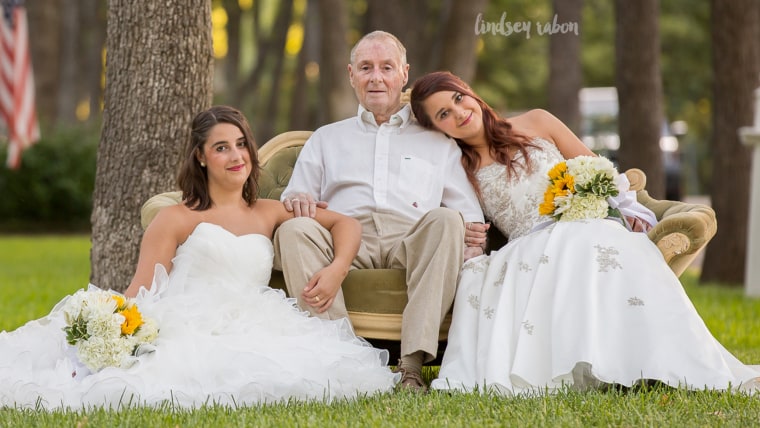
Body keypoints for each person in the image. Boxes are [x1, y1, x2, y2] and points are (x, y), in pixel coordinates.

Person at [0, 105, 398, 410]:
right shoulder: (176, 217)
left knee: (319, 373)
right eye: (222, 148)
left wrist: (335, 270)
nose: (236, 155)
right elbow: (142, 287)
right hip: (189, 318)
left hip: (257, 318)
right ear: (202, 157)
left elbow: (347, 224)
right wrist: (113, 329)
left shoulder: (268, 210)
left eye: (241, 144)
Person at [410, 71, 760, 394]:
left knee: (610, 241)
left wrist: (624, 210)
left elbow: (595, 169)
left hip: (586, 220)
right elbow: (466, 218)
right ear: (439, 130)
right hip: (528, 244)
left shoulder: (537, 120)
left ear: (469, 92)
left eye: (457, 99)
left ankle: (669, 359)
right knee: (575, 242)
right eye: (443, 115)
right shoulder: (457, 165)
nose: (458, 113)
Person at [274, 31, 485, 392]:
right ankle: (342, 359)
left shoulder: (437, 140)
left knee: (448, 219)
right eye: (366, 68)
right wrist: (298, 202)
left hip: (412, 242)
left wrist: (471, 236)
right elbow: (296, 197)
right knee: (293, 230)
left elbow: (468, 214)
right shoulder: (327, 138)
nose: (376, 77)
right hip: (344, 241)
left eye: (386, 67)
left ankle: (411, 366)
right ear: (350, 75)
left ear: (404, 74)